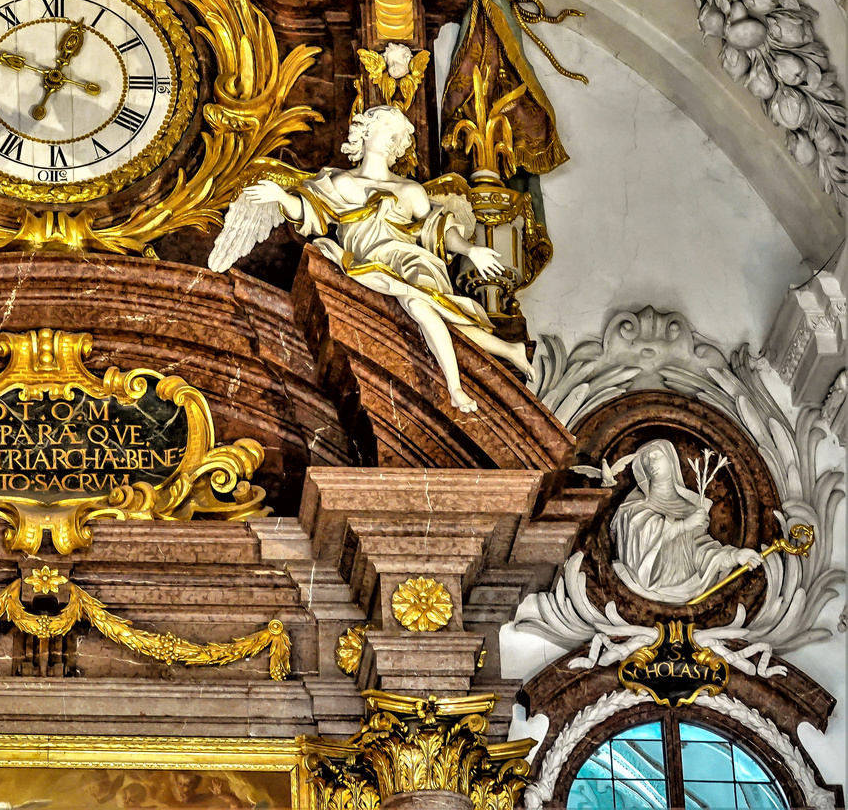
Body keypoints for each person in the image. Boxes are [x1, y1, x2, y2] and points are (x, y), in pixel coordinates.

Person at [226, 105, 534, 412]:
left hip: (412, 260)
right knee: (441, 318)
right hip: (369, 261)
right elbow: (311, 213)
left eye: (398, 136)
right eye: (388, 129)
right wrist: (281, 197)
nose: (393, 139)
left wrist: (470, 250)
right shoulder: (340, 182)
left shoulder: (409, 190)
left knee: (420, 305)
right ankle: (510, 349)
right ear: (366, 131)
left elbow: (437, 229)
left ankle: (454, 387)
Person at [609, 438, 762, 604]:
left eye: (656, 455)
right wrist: (683, 525)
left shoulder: (690, 508)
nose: (650, 462)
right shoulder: (634, 507)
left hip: (689, 588)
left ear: (671, 459)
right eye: (645, 459)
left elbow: (700, 553)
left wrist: (734, 556)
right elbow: (640, 537)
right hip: (646, 589)